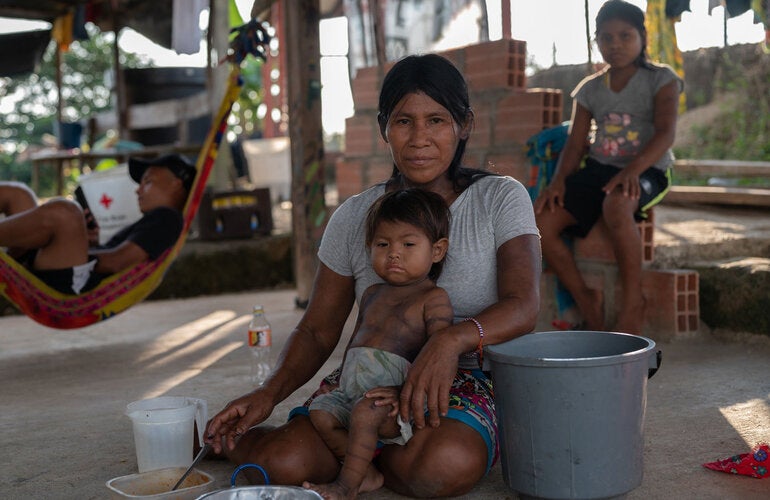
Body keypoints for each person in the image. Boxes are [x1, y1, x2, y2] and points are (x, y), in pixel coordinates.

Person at [204, 53, 541, 498]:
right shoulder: (355, 215)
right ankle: (255, 440)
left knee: (444, 465)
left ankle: (359, 459)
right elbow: (319, 329)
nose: (420, 138)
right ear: (384, 128)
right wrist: (269, 393)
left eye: (437, 120)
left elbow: (523, 306)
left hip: (462, 380)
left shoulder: (499, 199)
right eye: (404, 122)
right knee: (279, 463)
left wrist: (448, 340)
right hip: (367, 380)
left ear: (465, 125)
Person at [533, 0, 682, 334]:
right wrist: (558, 182)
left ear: (643, 36)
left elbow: (665, 134)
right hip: (600, 168)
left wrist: (632, 171)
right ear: (595, 41)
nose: (615, 45)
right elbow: (575, 143)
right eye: (606, 38)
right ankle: (585, 299)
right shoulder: (589, 90)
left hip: (649, 169)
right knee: (541, 222)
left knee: (616, 205)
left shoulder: (662, 80)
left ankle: (633, 302)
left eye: (625, 36)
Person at [303, 188, 453, 499]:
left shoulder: (433, 299)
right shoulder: (371, 294)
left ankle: (346, 485)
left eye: (408, 244)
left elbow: (438, 351)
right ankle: (366, 473)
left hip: (395, 397)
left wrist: (407, 392)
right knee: (320, 412)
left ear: (437, 251)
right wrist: (341, 377)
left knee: (367, 413)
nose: (394, 253)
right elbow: (358, 339)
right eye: (383, 244)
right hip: (353, 388)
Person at [0, 154, 195, 295]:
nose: (138, 190)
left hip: (70, 280)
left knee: (65, 212)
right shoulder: (158, 220)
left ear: (176, 184)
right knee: (18, 194)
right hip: (60, 265)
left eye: (148, 182)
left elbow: (117, 261)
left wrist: (77, 248)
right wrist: (83, 242)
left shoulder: (167, 217)